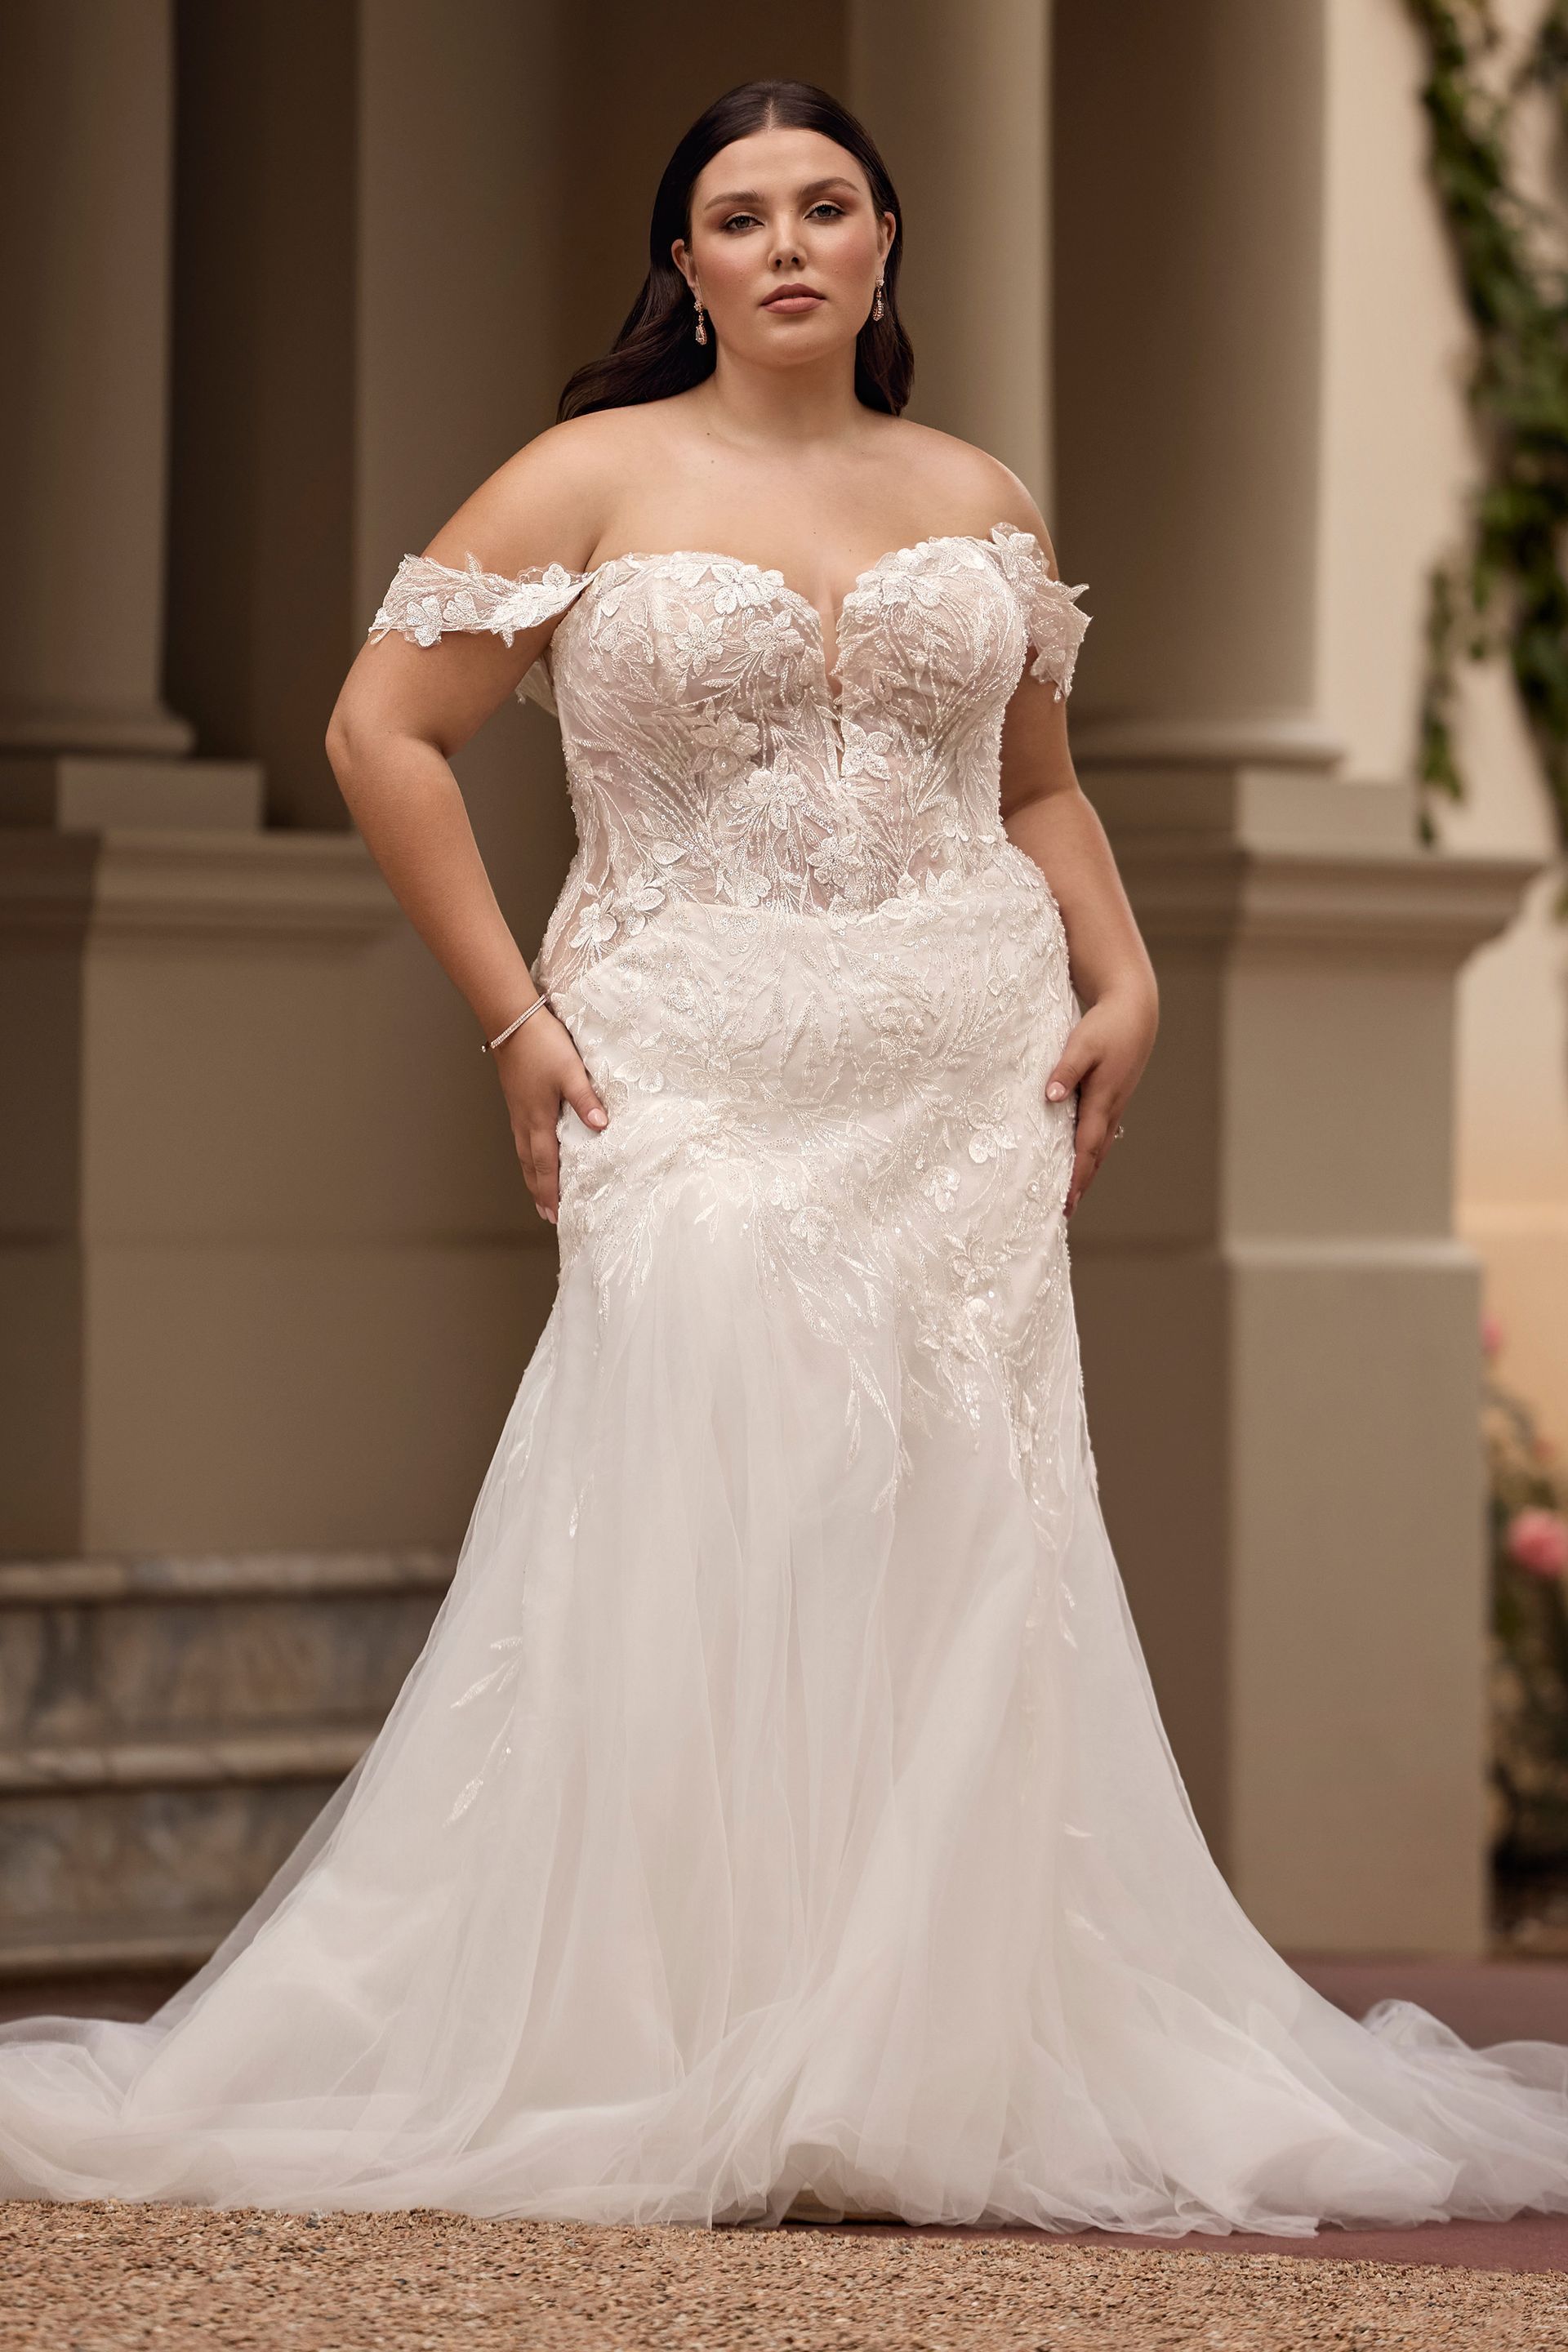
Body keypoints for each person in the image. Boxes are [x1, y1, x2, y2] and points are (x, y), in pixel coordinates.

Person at [2, 77, 1566, 2235]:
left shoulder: (972, 488)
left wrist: (1130, 982)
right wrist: (517, 1024)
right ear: (687, 263)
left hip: (960, 1063)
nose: (789, 242)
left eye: (828, 203)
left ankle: (905, 2046)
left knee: (942, 1527)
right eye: (740, 215)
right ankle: (668, 2035)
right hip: (682, 1049)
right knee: (686, 1485)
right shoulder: (587, 475)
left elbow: (1038, 785)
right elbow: (385, 728)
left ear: (889, 240)